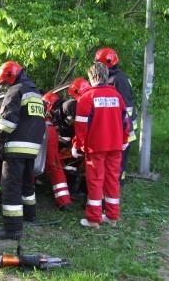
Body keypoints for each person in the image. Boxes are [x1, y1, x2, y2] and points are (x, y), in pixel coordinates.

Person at [0, 61, 45, 240]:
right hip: (32, 148)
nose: (5, 87)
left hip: (15, 148)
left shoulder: (16, 91)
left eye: (5, 83)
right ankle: (30, 215)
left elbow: (7, 121)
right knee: (27, 184)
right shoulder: (36, 93)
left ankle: (12, 229)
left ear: (9, 76)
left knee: (10, 186)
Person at [72, 63, 130, 229]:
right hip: (115, 146)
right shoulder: (117, 96)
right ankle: (112, 216)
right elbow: (125, 121)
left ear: (91, 77)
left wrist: (77, 145)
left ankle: (94, 219)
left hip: (96, 147)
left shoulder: (87, 97)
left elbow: (81, 127)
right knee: (112, 181)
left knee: (95, 182)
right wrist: (124, 139)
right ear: (105, 75)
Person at [94, 48, 137, 184]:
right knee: (114, 163)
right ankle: (113, 186)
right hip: (117, 129)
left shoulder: (120, 80)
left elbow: (126, 109)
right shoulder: (109, 78)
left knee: (118, 164)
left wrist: (120, 130)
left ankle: (116, 186)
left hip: (125, 129)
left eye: (98, 64)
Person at [41, 92, 72, 211]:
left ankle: (26, 196)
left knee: (30, 164)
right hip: (51, 131)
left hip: (38, 129)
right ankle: (64, 201)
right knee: (54, 166)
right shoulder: (65, 108)